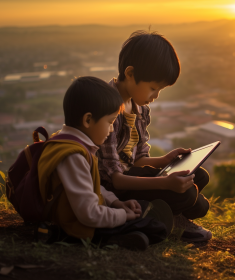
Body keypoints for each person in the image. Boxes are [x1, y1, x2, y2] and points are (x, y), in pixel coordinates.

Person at [98, 30, 212, 242]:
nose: (156, 96)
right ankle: (171, 219)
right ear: (130, 74)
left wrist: (165, 160)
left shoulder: (140, 109)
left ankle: (167, 212)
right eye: (153, 88)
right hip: (113, 189)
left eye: (160, 89)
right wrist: (165, 183)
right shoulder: (107, 108)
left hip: (131, 175)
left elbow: (138, 159)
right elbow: (115, 180)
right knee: (189, 196)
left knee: (199, 176)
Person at [37, 76, 169, 250]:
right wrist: (122, 215)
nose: (112, 129)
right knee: (156, 228)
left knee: (142, 215)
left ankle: (124, 236)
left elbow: (93, 187)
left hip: (82, 217)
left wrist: (115, 203)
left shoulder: (69, 143)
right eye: (110, 122)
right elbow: (89, 214)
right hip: (74, 225)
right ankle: (110, 239)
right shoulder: (73, 156)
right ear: (88, 120)